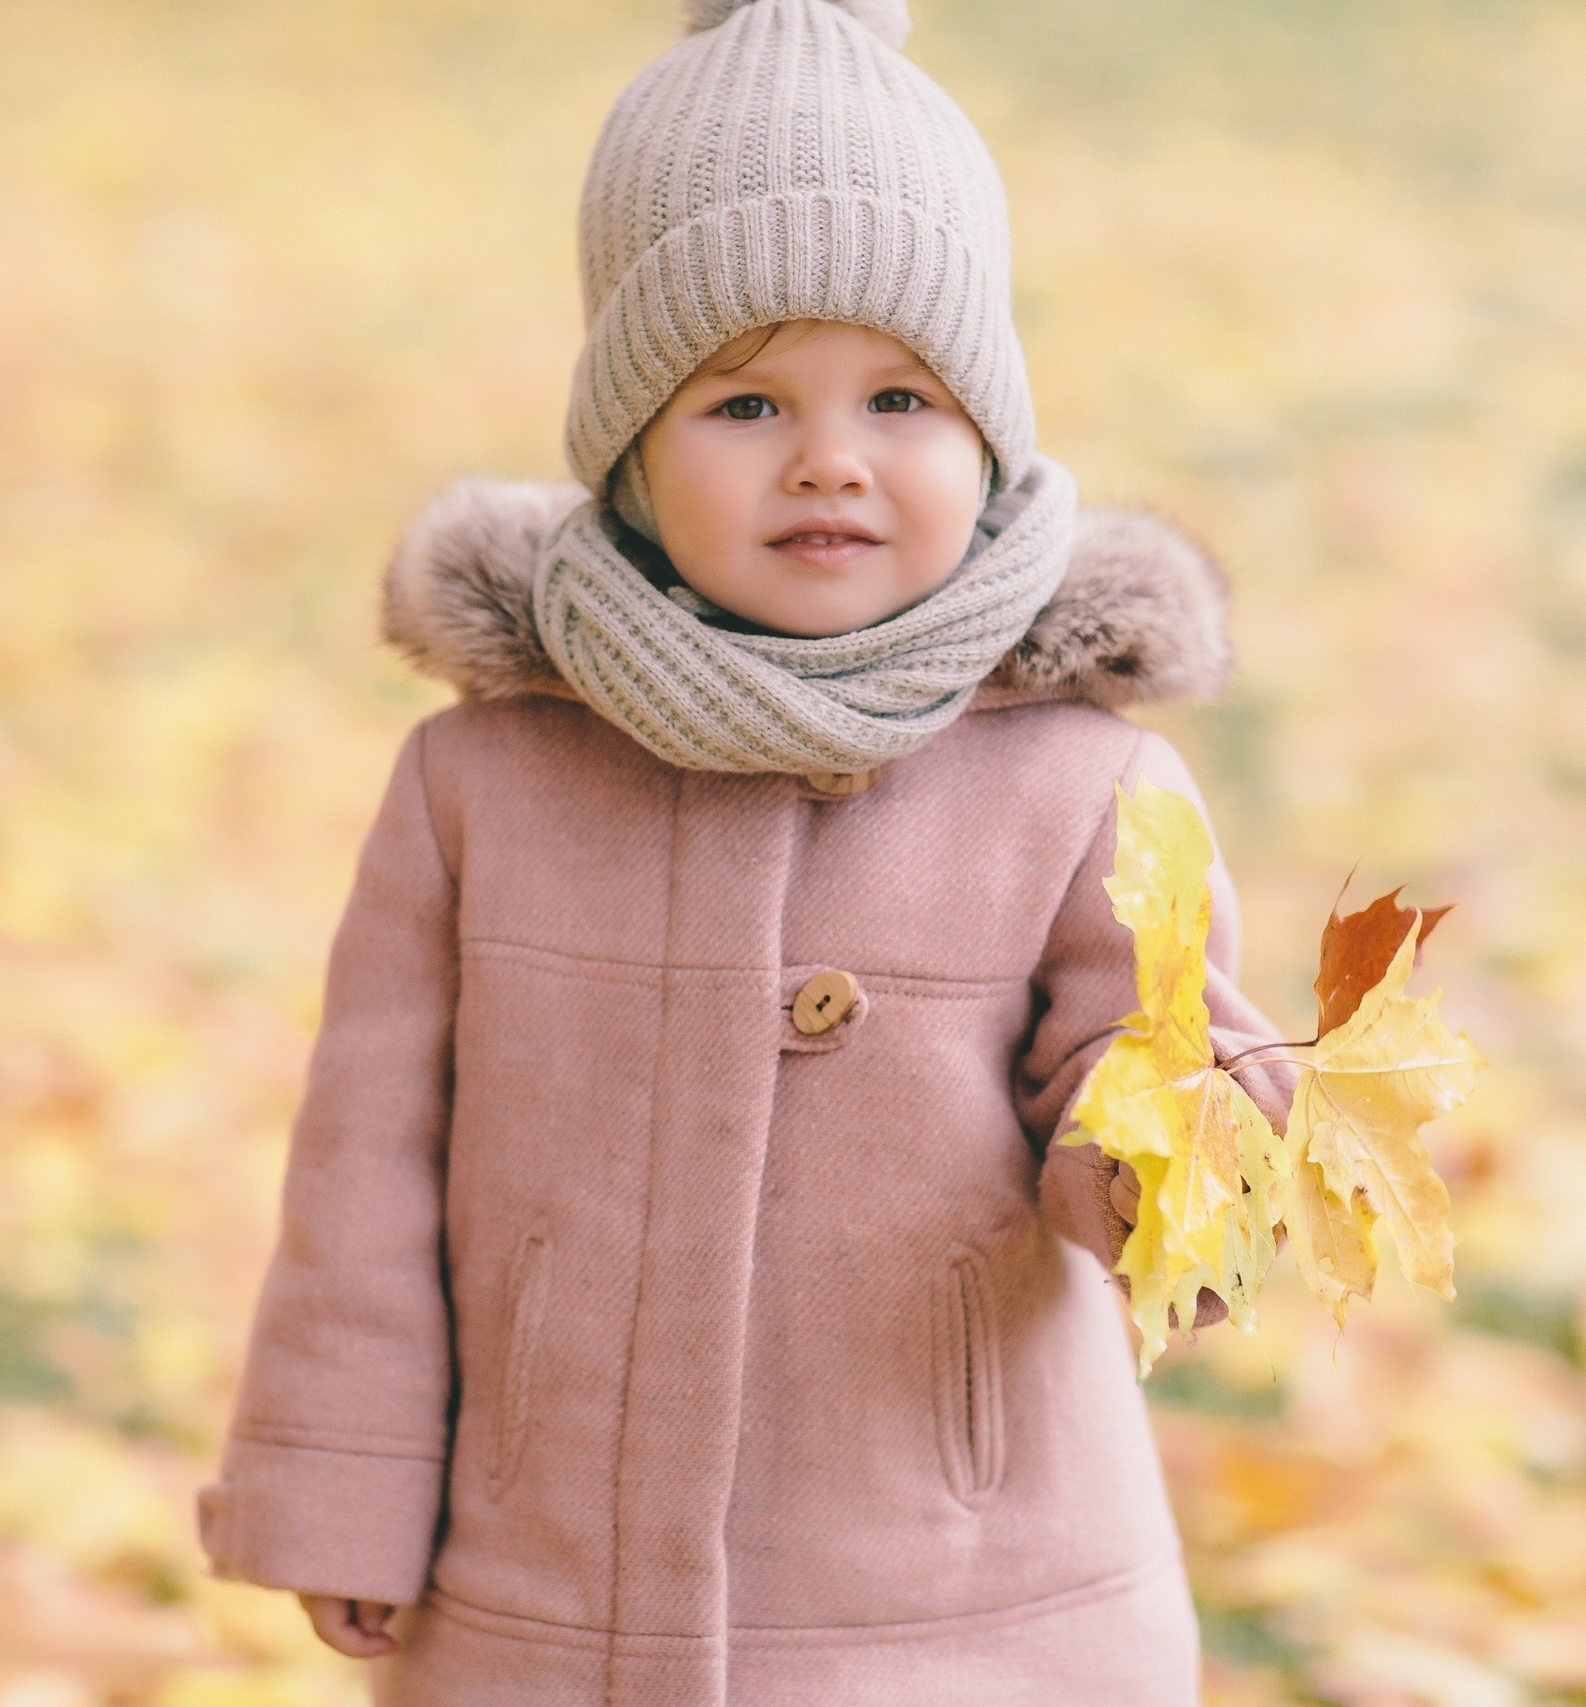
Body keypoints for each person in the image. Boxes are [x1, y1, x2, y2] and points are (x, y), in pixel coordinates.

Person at [195, 1, 1293, 1700]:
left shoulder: (1086, 786)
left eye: (901, 396)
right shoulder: (480, 783)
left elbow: (1122, 1087)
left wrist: (1178, 1164)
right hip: (546, 1586)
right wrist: (342, 1484)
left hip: (965, 1602)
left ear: (989, 437)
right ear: (630, 452)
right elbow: (367, 1167)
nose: (830, 459)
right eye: (744, 403)